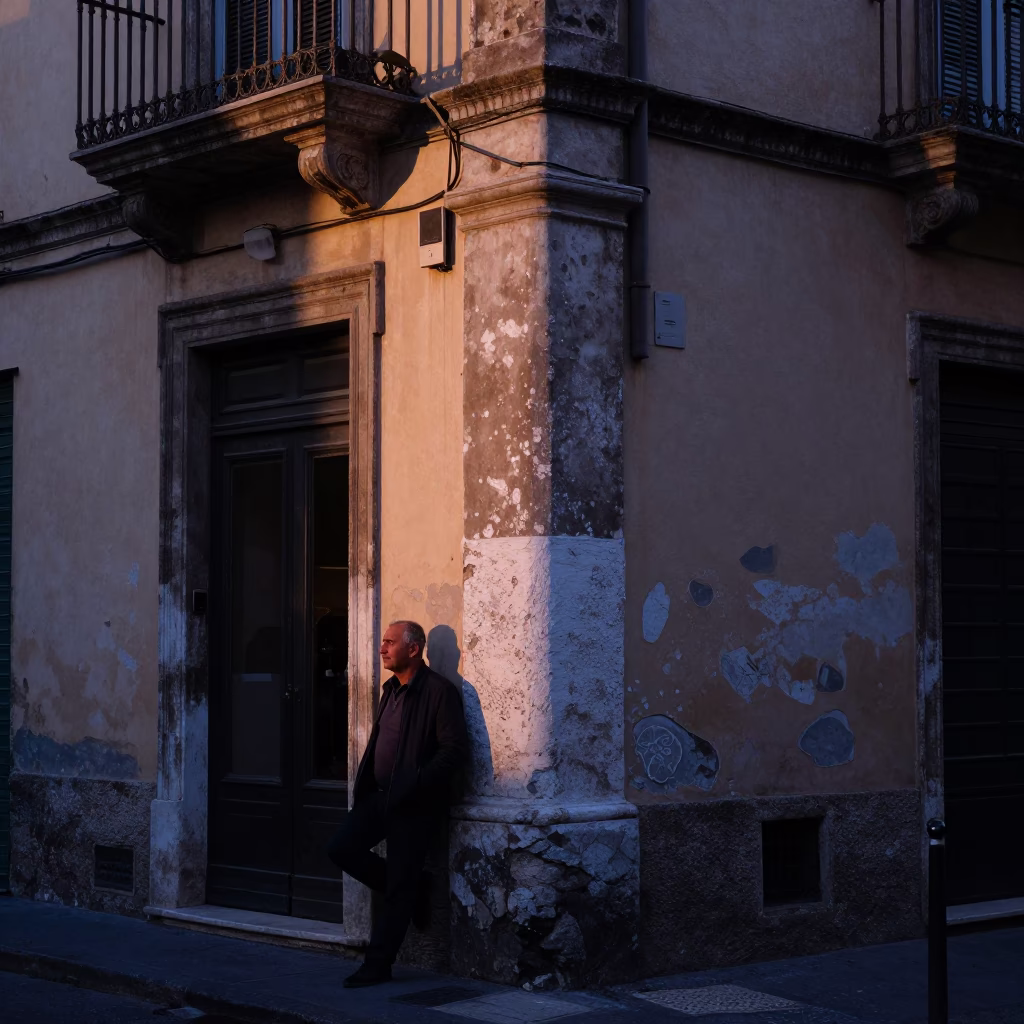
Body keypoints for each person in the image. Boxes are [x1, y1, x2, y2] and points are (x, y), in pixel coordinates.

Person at [327, 619, 468, 987]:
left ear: (414, 648)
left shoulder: (439, 692)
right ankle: (412, 885)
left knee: (399, 888)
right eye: (383, 642)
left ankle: (378, 965)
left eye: (390, 642)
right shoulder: (390, 689)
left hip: (414, 802)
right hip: (379, 796)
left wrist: (417, 783)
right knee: (341, 848)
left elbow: (453, 751)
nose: (382, 648)